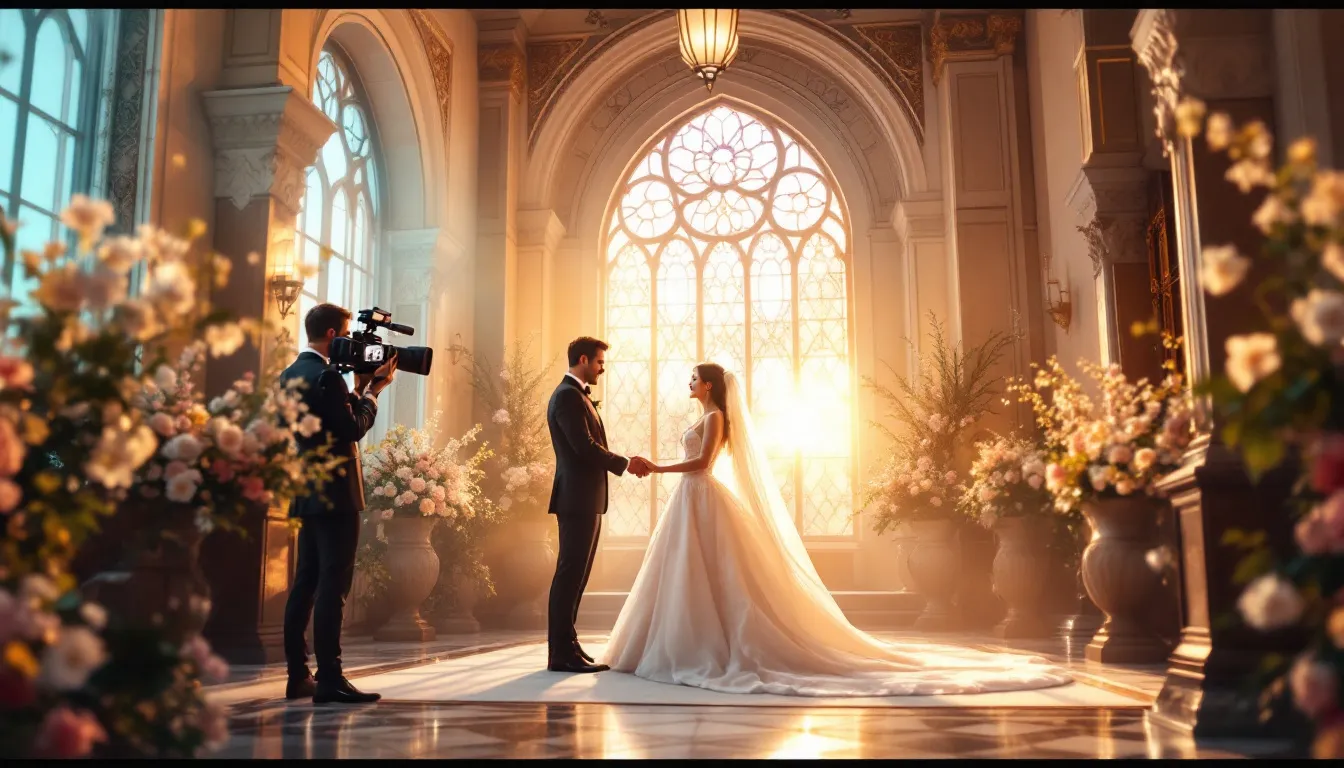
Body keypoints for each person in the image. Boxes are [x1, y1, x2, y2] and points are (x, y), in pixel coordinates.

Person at [600, 362, 1075, 697]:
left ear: (707, 385)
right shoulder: (703, 415)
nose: (689, 382)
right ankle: (677, 639)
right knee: (686, 571)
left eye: (693, 378)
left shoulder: (716, 416)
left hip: (699, 495)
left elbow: (703, 462)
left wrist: (656, 468)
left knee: (709, 572)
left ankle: (703, 644)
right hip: (692, 501)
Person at [281, 303, 398, 703]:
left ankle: (298, 675)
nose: (350, 341)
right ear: (334, 335)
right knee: (334, 586)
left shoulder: (291, 374)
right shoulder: (327, 377)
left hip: (305, 491)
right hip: (337, 494)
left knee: (305, 585)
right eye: (347, 334)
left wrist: (354, 387)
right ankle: (330, 677)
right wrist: (371, 392)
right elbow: (351, 428)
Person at [544, 336, 652, 674]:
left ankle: (569, 644)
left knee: (578, 575)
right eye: (599, 362)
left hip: (585, 497)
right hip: (575, 498)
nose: (602, 368)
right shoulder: (566, 397)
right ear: (582, 359)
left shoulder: (576, 396)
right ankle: (560, 653)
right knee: (569, 574)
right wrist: (625, 463)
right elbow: (583, 447)